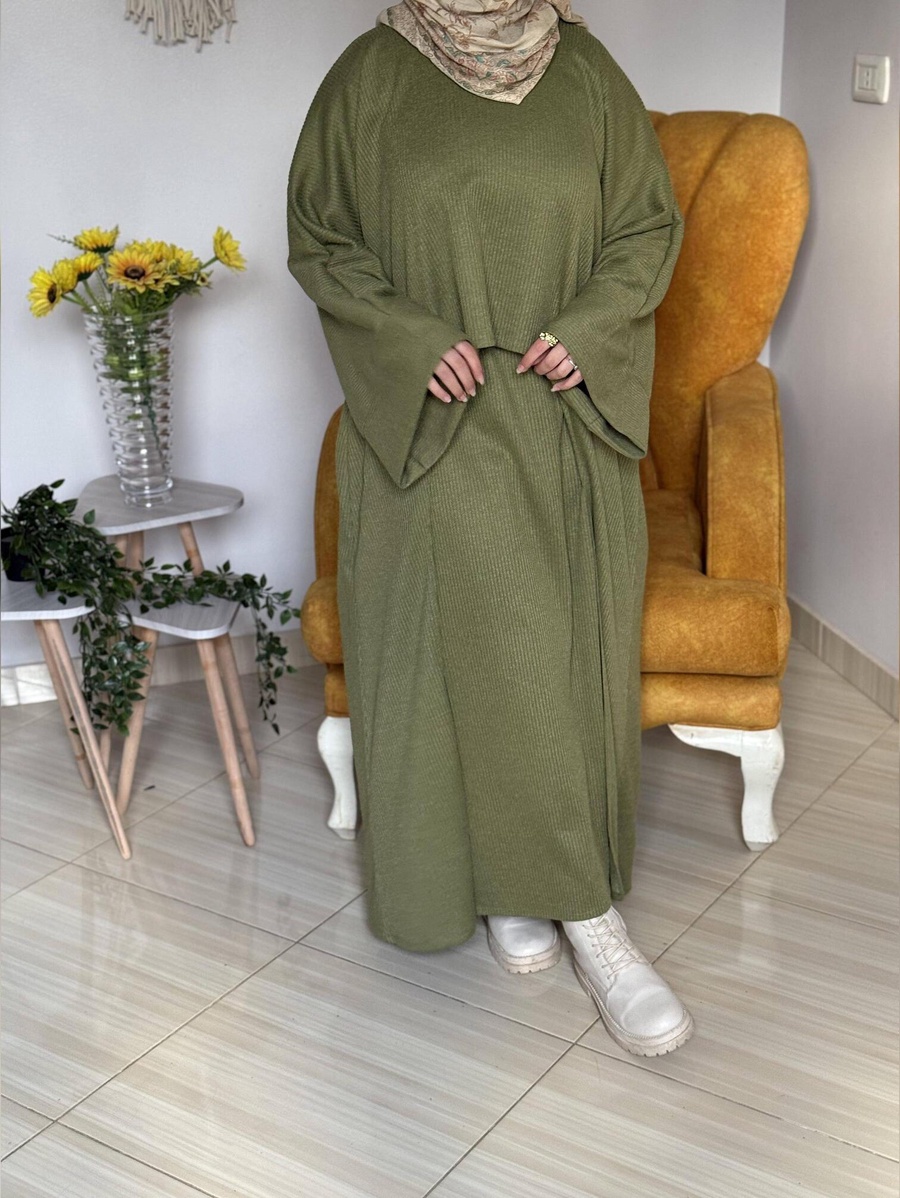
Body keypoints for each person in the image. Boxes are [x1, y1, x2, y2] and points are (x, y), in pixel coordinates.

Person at [287, 0, 693, 1057]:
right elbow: (323, 239)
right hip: (435, 419)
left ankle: (579, 907)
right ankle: (510, 884)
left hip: (563, 416)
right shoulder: (369, 76)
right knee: (464, 650)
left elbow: (646, 227)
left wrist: (591, 328)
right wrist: (410, 337)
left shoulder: (587, 71)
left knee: (557, 651)